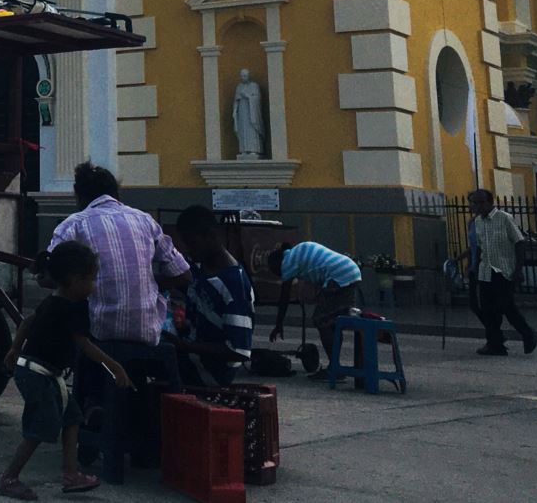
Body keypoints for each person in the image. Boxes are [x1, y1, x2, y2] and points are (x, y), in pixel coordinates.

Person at [49, 162, 189, 480]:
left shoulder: (74, 224)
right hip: (148, 332)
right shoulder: (145, 221)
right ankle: (141, 429)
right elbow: (183, 275)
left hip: (100, 330)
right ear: (116, 193)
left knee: (76, 328)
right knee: (135, 351)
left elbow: (52, 273)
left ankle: (91, 407)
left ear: (78, 195)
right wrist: (149, 282)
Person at [0, 241, 130, 499]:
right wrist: (115, 367)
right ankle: (9, 478)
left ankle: (71, 475)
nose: (94, 285)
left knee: (72, 419)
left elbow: (27, 321)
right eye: (91, 279)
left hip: (40, 372)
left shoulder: (55, 300)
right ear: (74, 280)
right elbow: (85, 345)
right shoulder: (74, 307)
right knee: (41, 427)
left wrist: (14, 349)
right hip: (39, 374)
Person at [167, 206, 255, 388]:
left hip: (210, 373)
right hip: (191, 359)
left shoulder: (233, 283)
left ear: (211, 236)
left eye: (192, 244)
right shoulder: (200, 270)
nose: (188, 250)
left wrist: (185, 346)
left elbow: (238, 350)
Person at [266, 239, 362, 366]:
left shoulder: (287, 263)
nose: (279, 275)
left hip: (338, 276)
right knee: (334, 321)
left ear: (277, 263)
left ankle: (334, 368)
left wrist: (278, 325)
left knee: (321, 320)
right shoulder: (297, 251)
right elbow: (316, 270)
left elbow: (284, 298)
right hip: (351, 270)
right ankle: (336, 368)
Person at [469, 189, 537, 356]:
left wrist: (518, 269)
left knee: (507, 306)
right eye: (475, 203)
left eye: (481, 202)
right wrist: (474, 267)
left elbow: (519, 242)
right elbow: (478, 247)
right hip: (485, 271)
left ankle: (527, 333)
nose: (477, 206)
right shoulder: (477, 222)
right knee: (488, 309)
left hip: (504, 270)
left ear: (490, 202)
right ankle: (495, 344)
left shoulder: (504, 218)